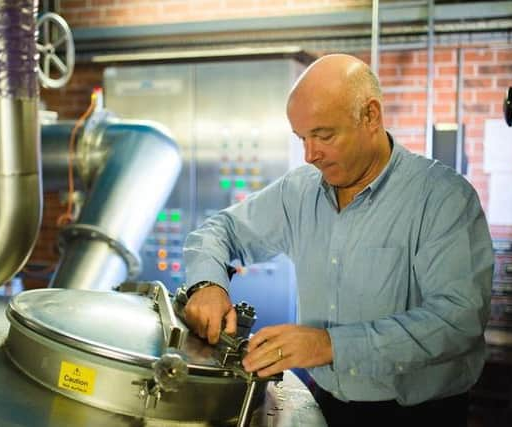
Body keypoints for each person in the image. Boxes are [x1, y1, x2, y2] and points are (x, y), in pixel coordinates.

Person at [182, 53, 494, 426]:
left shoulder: (442, 198)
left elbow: (457, 321)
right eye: (302, 138)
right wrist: (208, 283)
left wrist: (329, 345)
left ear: (371, 116)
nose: (310, 155)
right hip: (326, 404)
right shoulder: (299, 192)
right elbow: (220, 231)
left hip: (419, 415)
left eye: (323, 135)